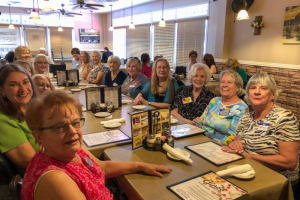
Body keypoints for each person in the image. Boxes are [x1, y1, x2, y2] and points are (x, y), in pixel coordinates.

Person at [21, 90, 172, 200]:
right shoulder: (55, 179)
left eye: (75, 123)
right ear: (39, 136)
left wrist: (139, 166)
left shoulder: (71, 149)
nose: (72, 131)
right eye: (59, 127)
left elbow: (101, 167)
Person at [221, 73, 300, 195]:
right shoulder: (248, 116)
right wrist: (236, 143)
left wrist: (249, 156)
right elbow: (237, 138)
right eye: (253, 88)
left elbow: (290, 162)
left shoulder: (284, 118)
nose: (257, 92)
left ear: (273, 95)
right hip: (248, 171)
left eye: (263, 88)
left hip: (279, 182)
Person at [0, 64, 39, 176]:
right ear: (2, 91)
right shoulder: (3, 120)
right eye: (14, 84)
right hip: (44, 178)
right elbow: (31, 162)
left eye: (26, 82)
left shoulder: (36, 109)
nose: (23, 89)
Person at [195, 69, 248, 145]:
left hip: (219, 146)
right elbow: (199, 122)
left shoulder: (241, 108)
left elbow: (232, 137)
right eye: (222, 82)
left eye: (229, 82)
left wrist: (206, 133)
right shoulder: (214, 101)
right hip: (200, 139)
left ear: (238, 87)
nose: (225, 85)